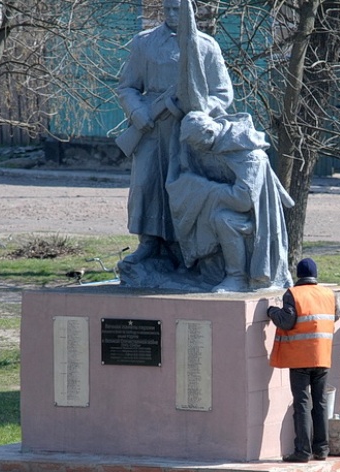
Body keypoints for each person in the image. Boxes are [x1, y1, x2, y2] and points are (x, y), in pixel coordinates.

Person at [116, 0, 233, 270]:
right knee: (146, 184)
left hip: (186, 131)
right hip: (151, 129)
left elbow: (223, 93)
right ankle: (148, 244)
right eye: (167, 9)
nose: (171, 14)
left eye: (178, 10)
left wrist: (200, 110)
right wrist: (137, 113)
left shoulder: (206, 46)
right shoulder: (144, 42)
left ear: (190, 11)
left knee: (183, 187)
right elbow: (127, 87)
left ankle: (185, 248)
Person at [167, 110, 294, 291]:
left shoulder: (250, 156)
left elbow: (244, 199)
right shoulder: (212, 146)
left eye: (197, 144)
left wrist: (208, 189)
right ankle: (201, 267)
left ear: (210, 133)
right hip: (230, 207)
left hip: (257, 220)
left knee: (223, 219)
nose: (197, 149)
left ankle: (237, 277)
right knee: (199, 203)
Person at [267, 258, 340, 462]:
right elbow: (335, 315)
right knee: (320, 403)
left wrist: (271, 311)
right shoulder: (328, 294)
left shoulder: (293, 294)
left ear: (299, 275)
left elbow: (286, 321)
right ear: (315, 275)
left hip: (300, 358)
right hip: (322, 357)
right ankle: (322, 449)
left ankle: (303, 451)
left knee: (302, 404)